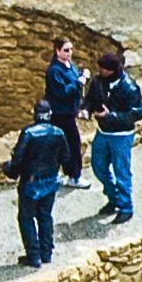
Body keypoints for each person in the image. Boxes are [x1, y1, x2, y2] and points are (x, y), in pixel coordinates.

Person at [2, 100, 69, 267]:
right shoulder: (58, 133)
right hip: (51, 179)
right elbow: (66, 157)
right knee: (45, 216)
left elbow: (18, 159)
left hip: (31, 182)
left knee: (26, 217)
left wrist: (10, 171)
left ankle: (33, 255)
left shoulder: (29, 133)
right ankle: (46, 253)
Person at [86, 50, 142, 225]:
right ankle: (114, 197)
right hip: (103, 133)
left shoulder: (130, 88)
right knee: (98, 166)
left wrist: (110, 116)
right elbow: (90, 99)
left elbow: (136, 113)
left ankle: (126, 207)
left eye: (103, 69)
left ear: (112, 71)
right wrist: (85, 109)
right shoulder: (98, 82)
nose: (100, 72)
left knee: (122, 171)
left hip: (121, 135)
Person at [44, 38, 86, 187]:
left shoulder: (70, 65)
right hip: (60, 114)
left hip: (69, 112)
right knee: (71, 144)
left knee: (68, 144)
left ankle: (68, 173)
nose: (70, 53)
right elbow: (61, 91)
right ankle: (73, 175)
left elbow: (74, 82)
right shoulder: (54, 71)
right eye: (66, 50)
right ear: (57, 51)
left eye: (71, 49)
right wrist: (79, 83)